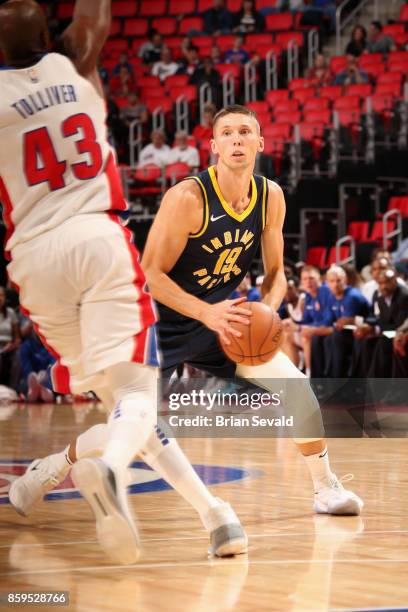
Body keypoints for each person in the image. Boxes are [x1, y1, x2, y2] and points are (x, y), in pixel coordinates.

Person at [3, 0, 246, 564]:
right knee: (136, 401)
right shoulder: (76, 63)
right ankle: (106, 471)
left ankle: (215, 516)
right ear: (51, 32)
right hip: (95, 234)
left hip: (32, 259)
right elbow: (94, 14)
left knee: (124, 409)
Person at [140, 105, 363, 516]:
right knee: (129, 422)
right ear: (213, 146)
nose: (237, 139)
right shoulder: (188, 197)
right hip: (160, 323)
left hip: (226, 322)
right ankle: (55, 468)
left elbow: (276, 272)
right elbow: (151, 274)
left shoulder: (270, 195)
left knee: (298, 389)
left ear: (260, 142)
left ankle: (324, 488)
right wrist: (204, 313)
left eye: (245, 131)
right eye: (227, 133)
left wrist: (268, 311)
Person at [352, 269, 408, 377]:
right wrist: (370, 328)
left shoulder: (404, 296)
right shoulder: (379, 297)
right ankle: (362, 383)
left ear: (395, 282)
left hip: (399, 332)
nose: (384, 286)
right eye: (381, 283)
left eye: (387, 282)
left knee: (382, 344)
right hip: (388, 332)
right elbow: (380, 319)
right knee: (365, 342)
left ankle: (379, 387)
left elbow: (399, 324)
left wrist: (377, 329)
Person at [0, 285, 20, 388]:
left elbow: (17, 339)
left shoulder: (11, 313)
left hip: (8, 348)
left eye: (2, 295)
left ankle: (13, 390)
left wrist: (10, 347)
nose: (0, 298)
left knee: (18, 356)